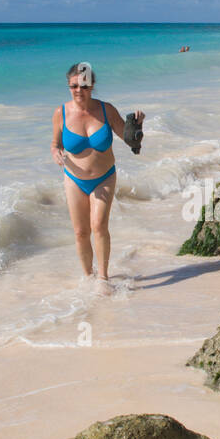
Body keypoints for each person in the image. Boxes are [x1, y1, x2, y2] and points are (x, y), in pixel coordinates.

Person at [51, 62, 144, 292]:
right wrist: (55, 152)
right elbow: (55, 143)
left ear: (92, 86)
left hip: (104, 177)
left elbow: (130, 140)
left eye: (83, 86)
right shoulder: (60, 113)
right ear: (68, 86)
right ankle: (88, 277)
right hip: (74, 178)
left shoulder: (106, 110)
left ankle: (102, 279)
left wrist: (138, 127)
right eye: (73, 86)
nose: (78, 91)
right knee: (81, 232)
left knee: (98, 225)